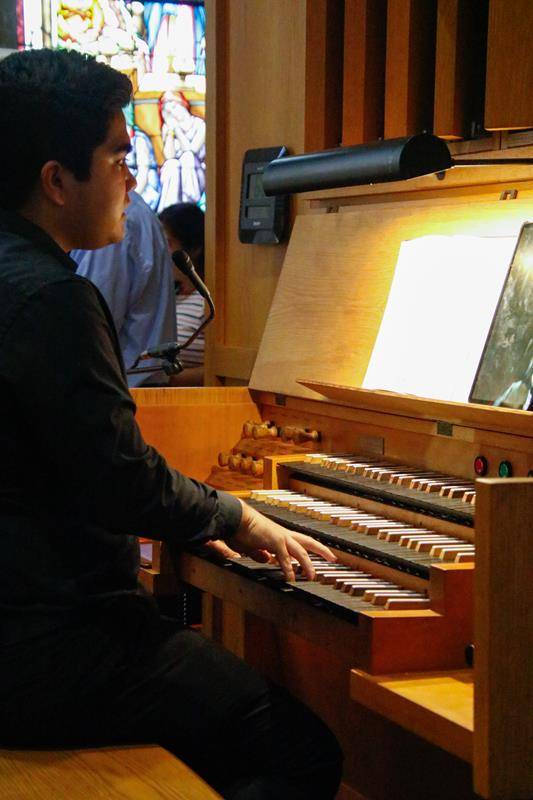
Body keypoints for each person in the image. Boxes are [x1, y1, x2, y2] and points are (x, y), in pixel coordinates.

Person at [0, 49, 342, 799]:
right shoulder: (52, 298)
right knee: (302, 752)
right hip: (48, 646)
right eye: (119, 157)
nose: (132, 179)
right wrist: (236, 515)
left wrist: (202, 516)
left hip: (20, 624)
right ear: (56, 181)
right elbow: (122, 481)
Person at [72, 189, 176, 387]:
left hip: (125, 388)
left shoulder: (116, 218)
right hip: (127, 385)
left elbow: (90, 324)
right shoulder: (118, 213)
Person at [159, 202, 205, 386]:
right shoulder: (166, 296)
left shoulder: (207, 301)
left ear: (194, 249)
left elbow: (221, 366)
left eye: (168, 243)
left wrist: (166, 378)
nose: (159, 249)